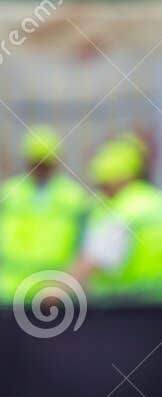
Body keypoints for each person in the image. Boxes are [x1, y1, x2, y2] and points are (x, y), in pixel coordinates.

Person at [75, 138, 162, 300]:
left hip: (129, 313)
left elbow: (91, 262)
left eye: (103, 185)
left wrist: (53, 293)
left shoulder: (122, 211)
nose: (101, 193)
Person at [0, 127, 89, 302]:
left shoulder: (74, 197)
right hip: (8, 292)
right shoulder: (9, 193)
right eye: (36, 162)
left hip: (55, 293)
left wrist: (67, 284)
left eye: (45, 163)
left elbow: (84, 247)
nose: (40, 168)